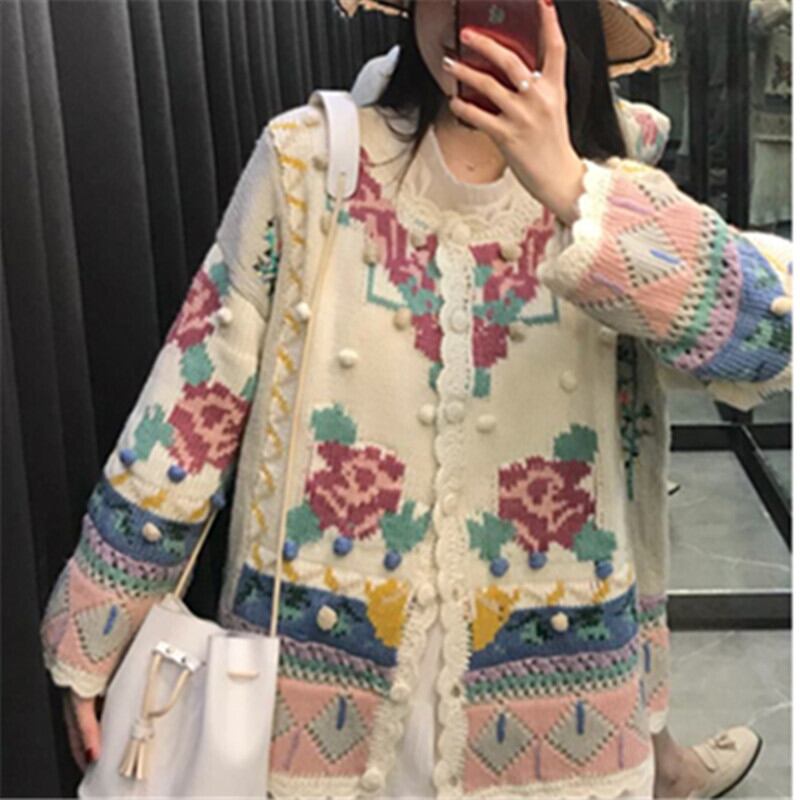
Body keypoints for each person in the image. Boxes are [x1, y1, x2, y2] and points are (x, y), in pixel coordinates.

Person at [39, 0, 792, 798]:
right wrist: (96, 629)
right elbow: (195, 402)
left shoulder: (614, 203)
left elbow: (772, 343)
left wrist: (571, 187)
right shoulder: (307, 166)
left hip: (558, 709)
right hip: (316, 692)